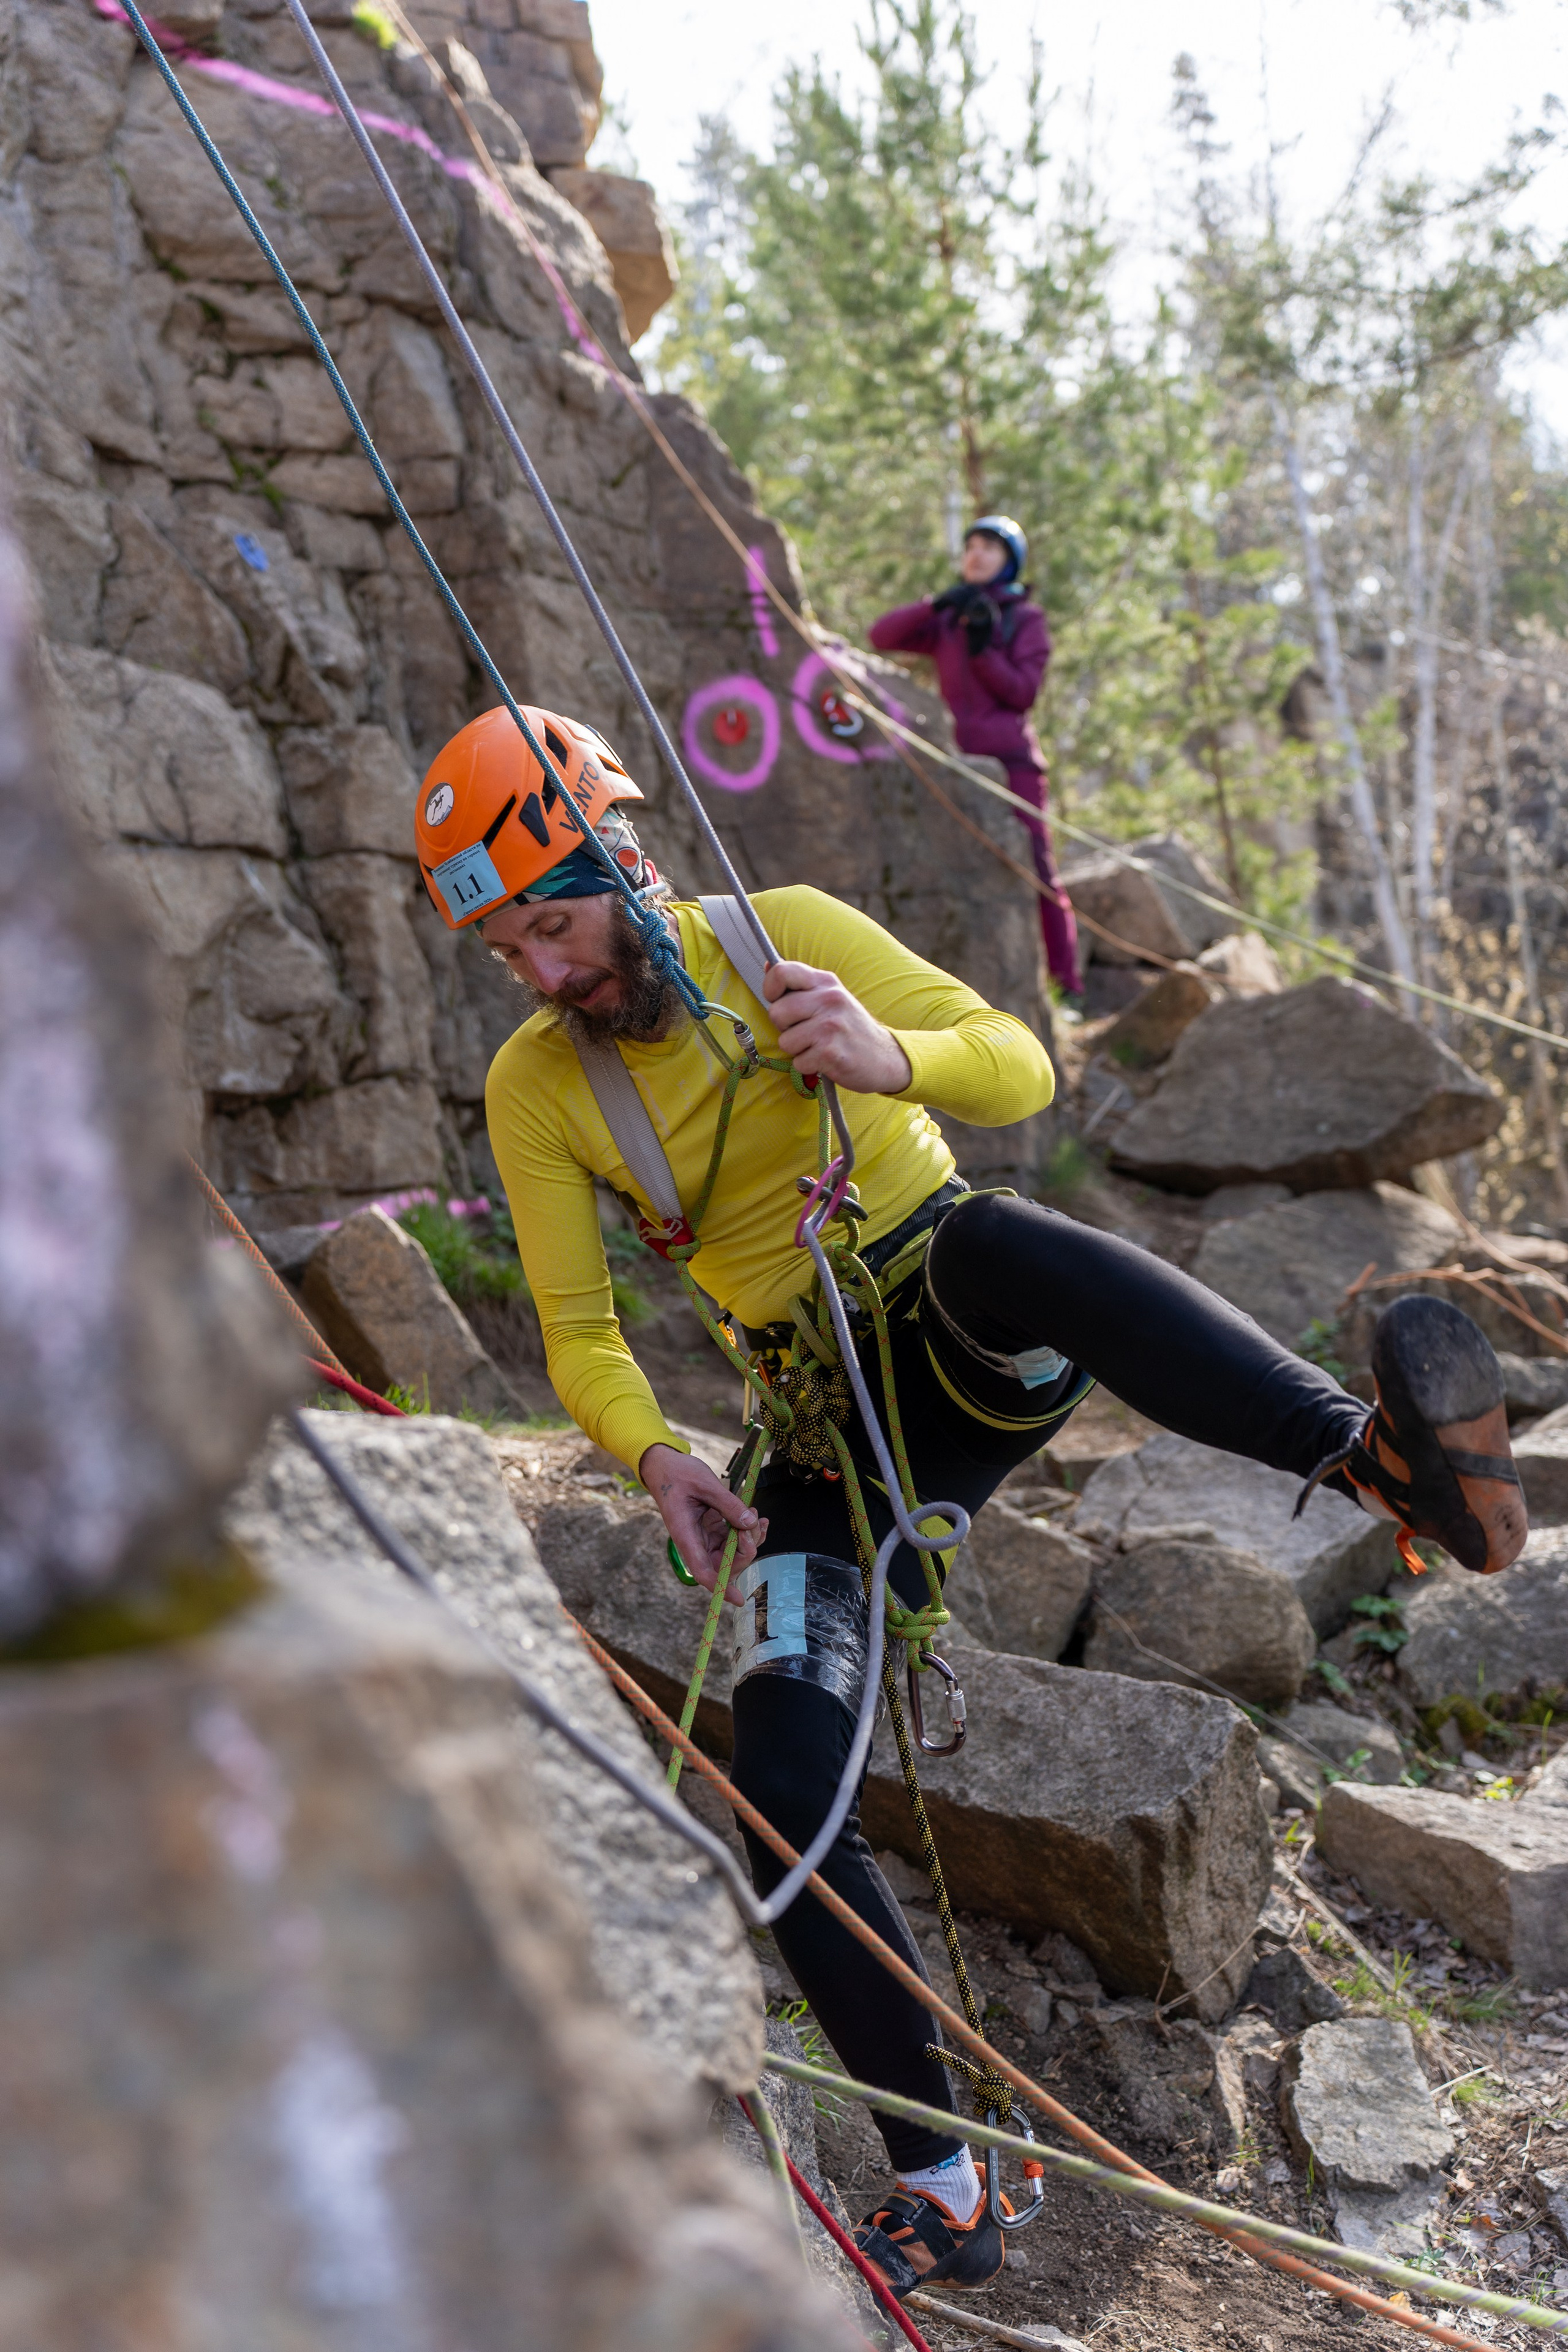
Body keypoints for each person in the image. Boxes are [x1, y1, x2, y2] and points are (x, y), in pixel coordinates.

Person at [415, 701, 1528, 2302]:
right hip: (821, 1433)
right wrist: (657, 1452)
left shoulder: (781, 933)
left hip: (953, 1326)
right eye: (511, 950)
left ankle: (1378, 1464)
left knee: (991, 1238)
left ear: (624, 862)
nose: (545, 971)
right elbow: (579, 1325)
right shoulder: (544, 1084)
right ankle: (945, 2186)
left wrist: (887, 1055)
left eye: (555, 921)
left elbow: (1008, 1059)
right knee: (784, 1787)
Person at [869, 515, 1084, 1001]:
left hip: (1012, 764)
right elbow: (881, 635)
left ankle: (1067, 985)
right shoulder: (951, 618)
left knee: (1037, 869)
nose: (977, 554)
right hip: (957, 762)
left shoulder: (1025, 619)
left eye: (990, 546)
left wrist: (986, 650)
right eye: (971, 545)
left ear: (1009, 560)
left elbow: (1023, 694)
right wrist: (938, 603)